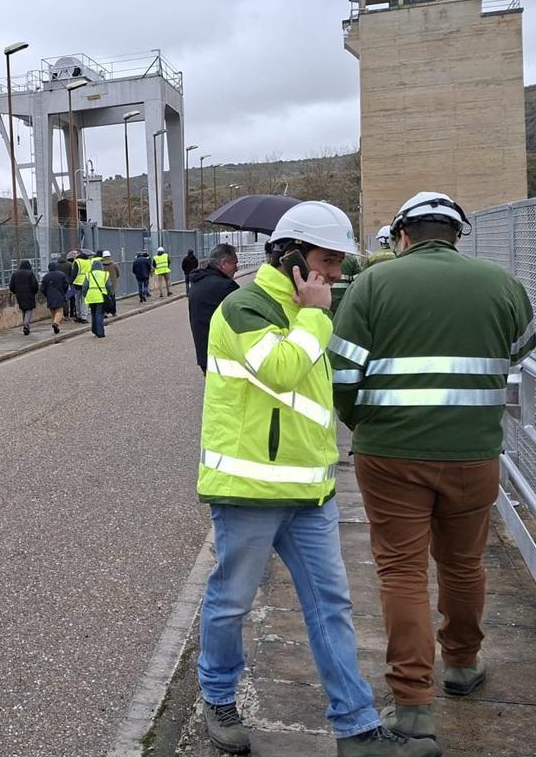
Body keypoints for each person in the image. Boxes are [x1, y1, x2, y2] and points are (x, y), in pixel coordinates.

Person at [197, 201, 436, 757]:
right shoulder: (243, 308)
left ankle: (355, 728)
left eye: (337, 264)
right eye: (328, 261)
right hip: (250, 491)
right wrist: (314, 315)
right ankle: (218, 695)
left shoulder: (314, 308)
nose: (335, 274)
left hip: (310, 490)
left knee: (332, 605)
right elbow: (279, 370)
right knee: (232, 601)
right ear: (291, 257)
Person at [331, 192, 535, 745]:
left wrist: (365, 424)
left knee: (401, 573)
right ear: (457, 235)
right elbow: (517, 352)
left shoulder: (373, 285)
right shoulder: (501, 285)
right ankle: (463, 667)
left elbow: (342, 374)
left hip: (390, 454)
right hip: (473, 454)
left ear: (402, 235)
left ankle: (414, 708)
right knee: (464, 565)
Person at [187, 243, 239, 373]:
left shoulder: (198, 282)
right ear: (223, 263)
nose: (237, 268)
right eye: (234, 263)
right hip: (224, 355)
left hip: (204, 353)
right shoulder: (225, 286)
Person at [8, 260, 39, 336]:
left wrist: (16, 292)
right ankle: (26, 324)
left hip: (19, 294)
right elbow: (35, 285)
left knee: (23, 309)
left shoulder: (15, 274)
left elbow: (11, 286)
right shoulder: (30, 273)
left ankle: (26, 326)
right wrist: (34, 292)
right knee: (29, 309)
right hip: (29, 294)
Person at [82, 258, 111, 338]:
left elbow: (85, 286)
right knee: (99, 314)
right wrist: (109, 293)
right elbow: (108, 286)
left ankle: (94, 330)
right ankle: (100, 332)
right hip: (101, 297)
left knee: (93, 314)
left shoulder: (88, 274)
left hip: (91, 297)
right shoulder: (105, 274)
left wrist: (85, 295)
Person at [40, 261, 70, 334]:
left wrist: (46, 294)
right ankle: (56, 323)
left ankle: (55, 327)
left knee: (53, 311)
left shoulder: (45, 277)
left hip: (49, 296)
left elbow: (42, 288)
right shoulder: (61, 275)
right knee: (59, 311)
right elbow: (66, 285)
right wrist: (64, 292)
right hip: (59, 294)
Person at [70, 250, 94, 323]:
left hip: (77, 283)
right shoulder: (89, 261)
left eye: (75, 254)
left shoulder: (77, 262)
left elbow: (74, 273)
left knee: (77, 300)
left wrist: (70, 282)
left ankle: (78, 315)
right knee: (84, 301)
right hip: (87, 282)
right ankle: (84, 317)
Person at [101, 251, 120, 317]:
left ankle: (105, 312)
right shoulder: (114, 264)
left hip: (103, 283)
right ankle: (113, 312)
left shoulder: (101, 265)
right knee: (112, 298)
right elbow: (118, 274)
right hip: (112, 283)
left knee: (105, 298)